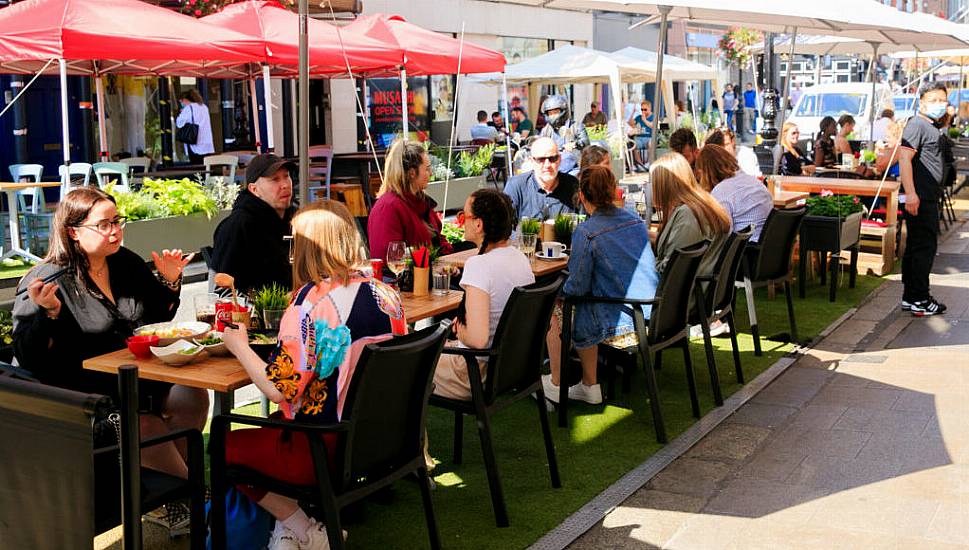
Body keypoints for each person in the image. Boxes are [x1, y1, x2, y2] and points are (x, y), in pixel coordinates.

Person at [13, 187, 205, 532]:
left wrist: (171, 279)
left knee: (192, 394)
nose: (115, 230)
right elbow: (28, 357)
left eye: (118, 221)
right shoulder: (48, 280)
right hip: (85, 402)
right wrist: (49, 314)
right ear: (73, 232)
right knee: (146, 426)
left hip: (138, 384)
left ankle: (167, 494)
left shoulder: (125, 263)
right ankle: (191, 498)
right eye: (104, 225)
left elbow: (159, 314)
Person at [221, 200, 406, 550]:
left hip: (324, 448)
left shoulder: (309, 304)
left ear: (304, 247)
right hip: (382, 439)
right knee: (271, 427)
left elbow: (279, 389)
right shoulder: (388, 294)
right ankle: (290, 530)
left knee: (225, 444)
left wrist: (238, 345)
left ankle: (301, 527)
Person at [543, 165, 659, 405]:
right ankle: (588, 383)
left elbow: (577, 288)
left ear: (582, 196)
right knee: (580, 301)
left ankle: (560, 382)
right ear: (613, 190)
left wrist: (558, 291)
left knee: (554, 309)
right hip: (653, 312)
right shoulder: (634, 221)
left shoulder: (586, 231)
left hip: (622, 320)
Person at [432, 189, 534, 399]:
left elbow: (478, 340)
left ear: (479, 224)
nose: (462, 221)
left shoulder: (479, 265)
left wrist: (459, 330)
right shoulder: (520, 258)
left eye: (464, 216)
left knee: (403, 368)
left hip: (476, 373)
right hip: (512, 368)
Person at [897, 81, 948, 316]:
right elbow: (904, 159)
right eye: (933, 100)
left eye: (942, 100)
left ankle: (911, 296)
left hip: (926, 195)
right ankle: (920, 298)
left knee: (917, 246)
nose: (939, 105)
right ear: (922, 102)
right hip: (920, 196)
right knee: (924, 248)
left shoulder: (930, 126)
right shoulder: (917, 125)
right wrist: (911, 194)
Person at [212, 153, 296, 295]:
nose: (285, 185)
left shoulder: (298, 219)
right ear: (254, 189)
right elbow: (222, 291)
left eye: (286, 176)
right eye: (275, 179)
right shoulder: (237, 226)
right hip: (258, 312)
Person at [368, 139, 453, 261]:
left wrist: (448, 261)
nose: (431, 172)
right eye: (427, 168)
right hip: (405, 278)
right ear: (412, 173)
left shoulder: (419, 201)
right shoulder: (388, 207)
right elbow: (388, 259)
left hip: (429, 274)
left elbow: (437, 240)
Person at [650, 153, 730, 278]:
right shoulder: (703, 203)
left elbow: (672, 267)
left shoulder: (688, 214)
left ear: (663, 185)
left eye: (651, 182)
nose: (650, 187)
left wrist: (643, 266)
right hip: (697, 285)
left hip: (683, 292)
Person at [696, 144, 773, 243]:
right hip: (768, 248)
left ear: (705, 173)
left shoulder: (721, 191)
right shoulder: (754, 182)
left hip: (746, 252)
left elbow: (721, 236)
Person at [503, 136, 579, 221]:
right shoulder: (516, 186)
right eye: (541, 159)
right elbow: (504, 226)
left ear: (559, 159)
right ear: (532, 161)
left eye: (552, 159)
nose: (547, 165)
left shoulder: (573, 185)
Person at [539, 95, 589, 175]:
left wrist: (575, 144)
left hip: (573, 168)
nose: (552, 115)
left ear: (563, 111)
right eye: (550, 113)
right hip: (552, 166)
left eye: (555, 112)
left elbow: (586, 141)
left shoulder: (575, 126)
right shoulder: (546, 130)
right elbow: (539, 143)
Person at [175, 89, 214, 164]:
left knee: (196, 167)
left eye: (181, 101)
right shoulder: (204, 107)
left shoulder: (188, 108)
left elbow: (179, 123)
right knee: (205, 166)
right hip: (207, 143)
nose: (181, 103)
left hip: (195, 143)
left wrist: (181, 112)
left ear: (186, 100)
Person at [628, 100, 654, 171]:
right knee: (634, 144)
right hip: (639, 138)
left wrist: (645, 120)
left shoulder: (654, 116)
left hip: (649, 137)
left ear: (650, 108)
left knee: (651, 143)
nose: (643, 111)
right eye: (642, 109)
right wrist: (633, 112)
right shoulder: (639, 117)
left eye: (645, 109)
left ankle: (649, 163)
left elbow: (653, 126)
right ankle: (640, 165)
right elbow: (630, 123)